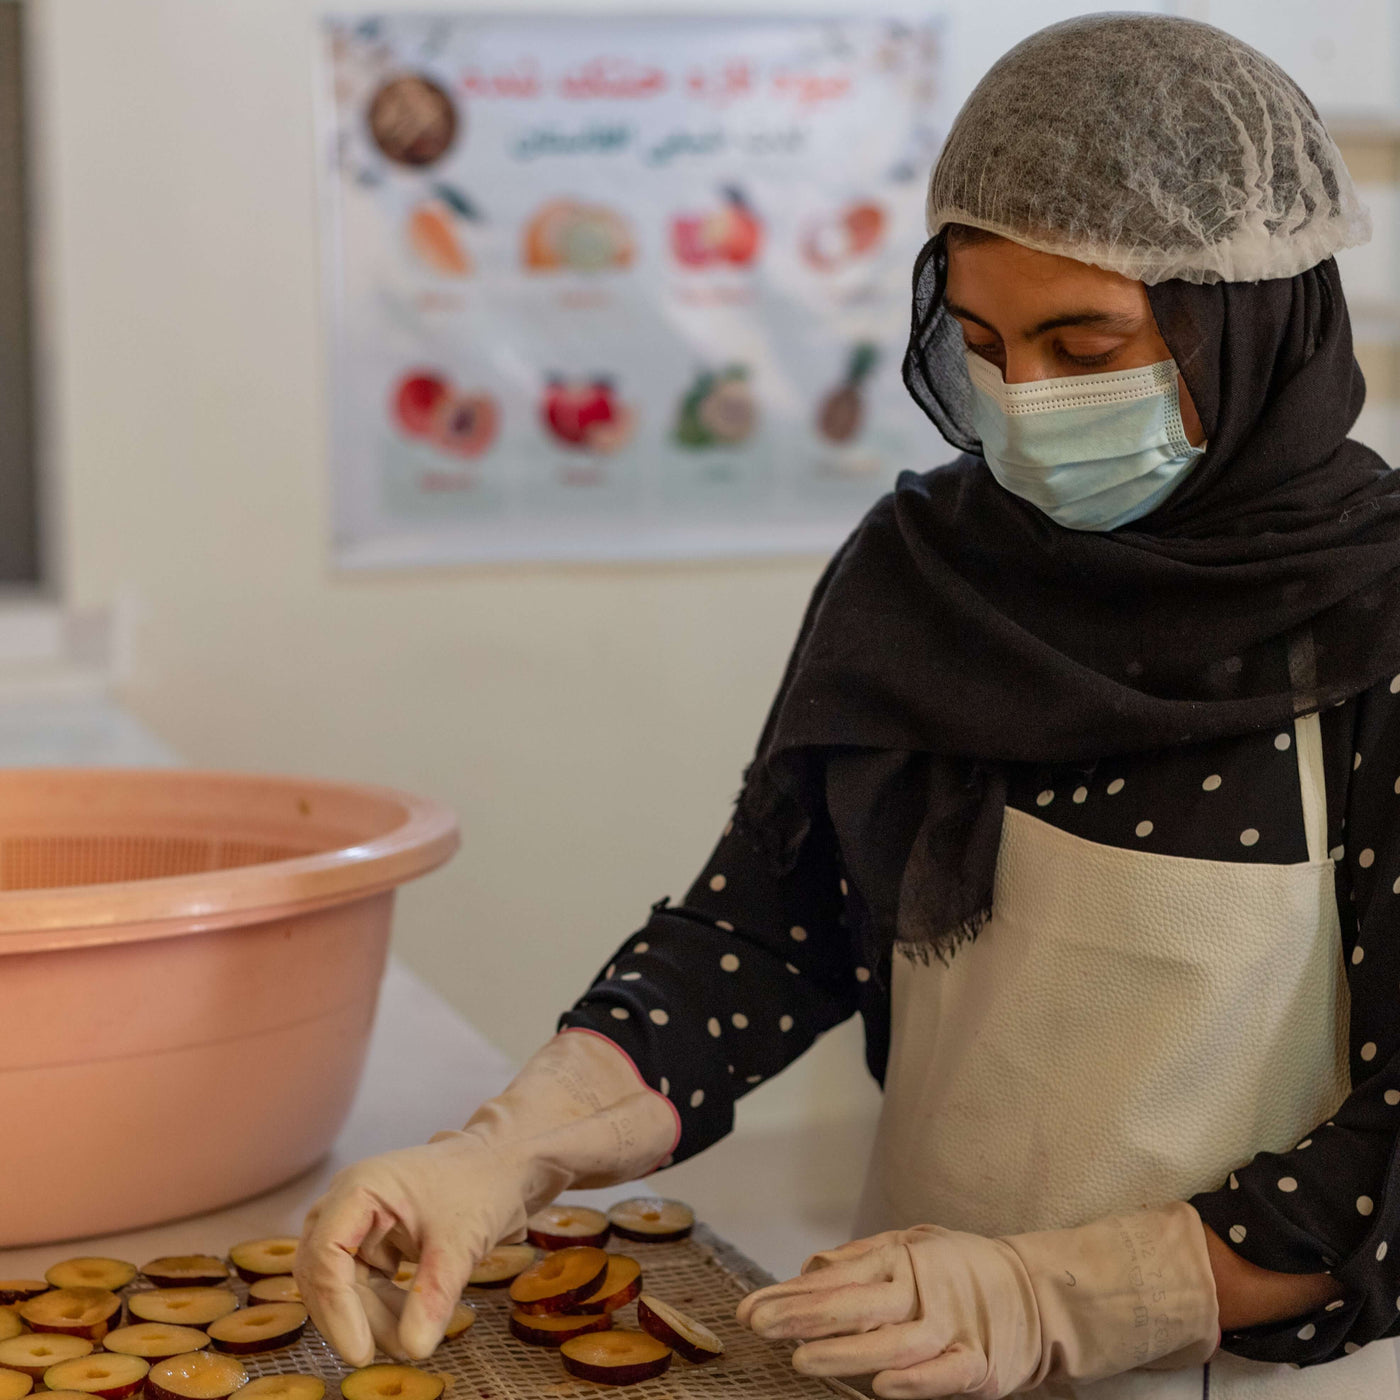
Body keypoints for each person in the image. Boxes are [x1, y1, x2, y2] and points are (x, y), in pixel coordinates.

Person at [295, 14, 1400, 1398]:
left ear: (1251, 320)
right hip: (904, 1344)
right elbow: (763, 929)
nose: (1026, 403)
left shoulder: (1376, 612)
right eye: (986, 343)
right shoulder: (929, 572)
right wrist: (514, 1144)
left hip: (1253, 1371)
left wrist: (1065, 1296)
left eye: (1086, 342)